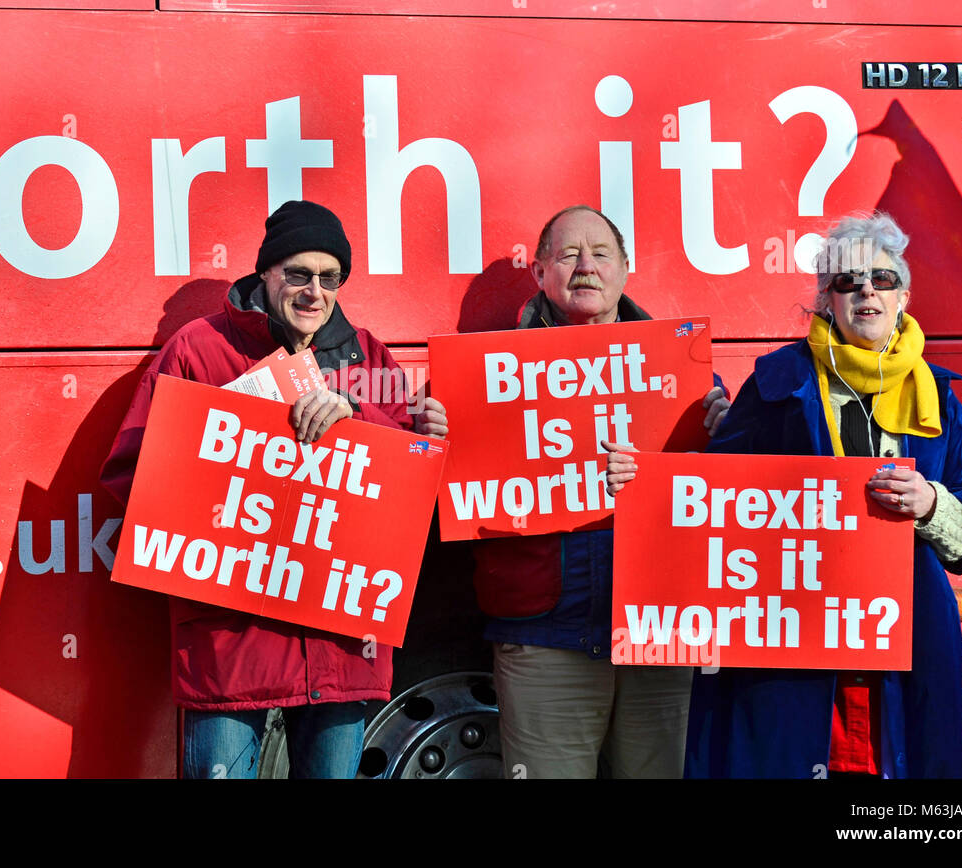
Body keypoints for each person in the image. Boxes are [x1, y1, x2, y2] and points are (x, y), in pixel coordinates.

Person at [101, 200, 446, 779]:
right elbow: (129, 476)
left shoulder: (367, 354)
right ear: (265, 273)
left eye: (330, 276)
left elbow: (409, 486)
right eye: (298, 273)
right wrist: (228, 453)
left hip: (339, 648)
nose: (314, 291)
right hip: (232, 645)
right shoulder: (197, 348)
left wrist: (360, 415)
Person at [664, 212, 962, 778]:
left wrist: (932, 504)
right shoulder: (776, 385)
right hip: (794, 636)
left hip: (906, 635)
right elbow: (713, 501)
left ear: (904, 296)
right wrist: (661, 470)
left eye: (882, 279)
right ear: (827, 299)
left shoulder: (939, 397)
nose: (866, 289)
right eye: (847, 280)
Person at [472, 205, 729, 778]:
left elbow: (735, 505)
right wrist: (434, 434)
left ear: (626, 269)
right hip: (545, 635)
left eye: (600, 253)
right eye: (567, 255)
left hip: (661, 633)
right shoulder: (484, 374)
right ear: (539, 273)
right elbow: (447, 489)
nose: (585, 266)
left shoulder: (686, 375)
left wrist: (727, 436)